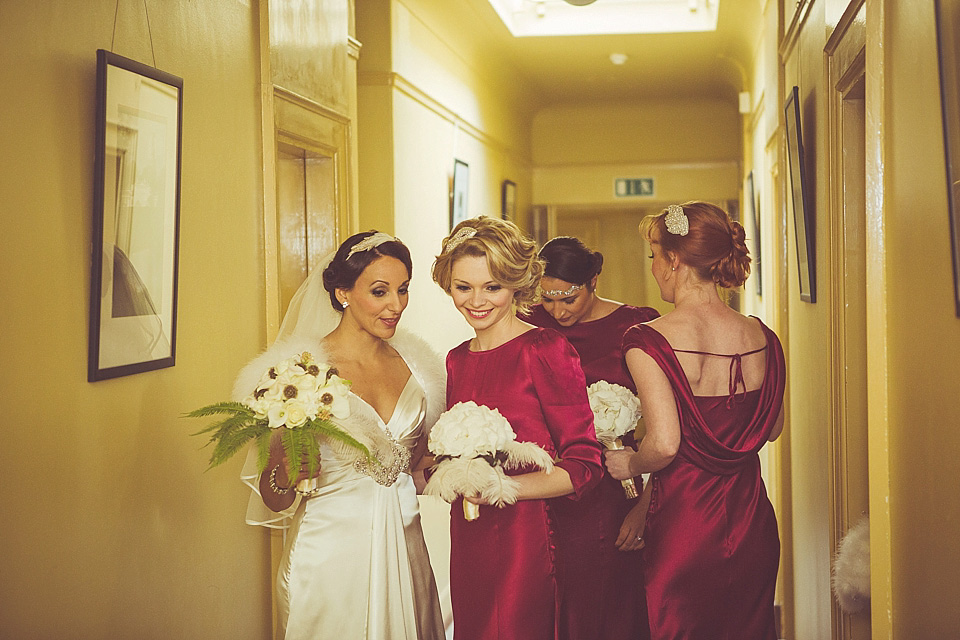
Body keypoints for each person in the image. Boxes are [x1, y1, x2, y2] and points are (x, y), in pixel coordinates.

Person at [233, 231, 446, 640]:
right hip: (328, 558)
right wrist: (286, 468)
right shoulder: (300, 374)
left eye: (403, 290)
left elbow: (416, 470)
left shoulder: (421, 370)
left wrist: (471, 465)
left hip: (407, 549)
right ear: (343, 292)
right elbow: (275, 496)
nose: (396, 305)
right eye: (380, 291)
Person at [604, 202, 785, 640]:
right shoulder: (762, 336)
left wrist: (628, 464)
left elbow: (665, 444)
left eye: (653, 255)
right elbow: (772, 429)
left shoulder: (647, 340)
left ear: (673, 260)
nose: (653, 267)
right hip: (751, 523)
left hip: (683, 526)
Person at [431, 216, 603, 640]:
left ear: (517, 285)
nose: (477, 301)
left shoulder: (545, 348)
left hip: (529, 542)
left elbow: (585, 464)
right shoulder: (456, 359)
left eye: (493, 287)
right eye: (463, 287)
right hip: (469, 535)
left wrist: (502, 488)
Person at [522, 235, 659, 640]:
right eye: (547, 299)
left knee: (609, 599)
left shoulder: (636, 325)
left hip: (614, 484)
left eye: (568, 298)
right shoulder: (529, 324)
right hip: (545, 479)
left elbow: (670, 423)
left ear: (594, 281)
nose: (557, 311)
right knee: (549, 595)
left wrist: (645, 508)